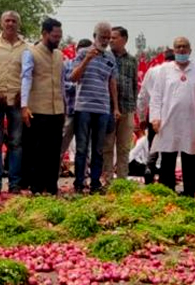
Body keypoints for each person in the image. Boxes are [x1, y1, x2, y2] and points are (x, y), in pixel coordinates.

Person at [149, 37, 195, 196]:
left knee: (190, 158)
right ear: (173, 51)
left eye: (184, 47)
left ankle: (189, 194)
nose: (181, 50)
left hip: (191, 122)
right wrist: (155, 118)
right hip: (169, 121)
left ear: (190, 50)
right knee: (167, 158)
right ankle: (166, 194)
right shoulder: (164, 70)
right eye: (178, 47)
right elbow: (156, 96)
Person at [69, 21, 120, 194]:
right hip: (83, 107)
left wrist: (116, 107)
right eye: (102, 37)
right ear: (94, 37)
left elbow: (112, 82)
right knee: (82, 148)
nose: (105, 41)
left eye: (108, 38)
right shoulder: (83, 52)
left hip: (103, 108)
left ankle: (95, 184)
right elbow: (73, 77)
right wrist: (87, 59)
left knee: (99, 149)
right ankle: (78, 183)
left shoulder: (110, 57)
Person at [21, 17, 65, 195]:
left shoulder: (60, 55)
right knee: (37, 151)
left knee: (54, 150)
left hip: (57, 110)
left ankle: (52, 187)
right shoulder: (30, 52)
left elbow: (62, 82)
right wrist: (24, 106)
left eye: (60, 36)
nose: (58, 39)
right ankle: (37, 187)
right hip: (38, 110)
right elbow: (26, 78)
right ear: (45, 34)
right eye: (55, 36)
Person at [0, 11, 27, 196]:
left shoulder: (27, 47)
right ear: (1, 23)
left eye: (14, 21)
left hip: (17, 101)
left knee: (16, 143)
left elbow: (28, 75)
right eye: (7, 21)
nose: (10, 24)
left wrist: (23, 95)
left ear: (19, 24)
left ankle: (15, 183)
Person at [103, 26, 138, 182]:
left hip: (127, 108)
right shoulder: (105, 57)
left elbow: (134, 84)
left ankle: (122, 181)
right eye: (109, 38)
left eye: (114, 38)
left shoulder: (132, 60)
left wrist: (134, 107)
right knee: (107, 145)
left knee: (124, 147)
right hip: (108, 108)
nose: (111, 40)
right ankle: (108, 180)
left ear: (124, 40)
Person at [136, 49, 174, 184]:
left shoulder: (152, 71)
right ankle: (166, 179)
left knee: (154, 145)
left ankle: (149, 169)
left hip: (153, 114)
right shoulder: (174, 72)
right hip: (171, 114)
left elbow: (142, 97)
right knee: (169, 149)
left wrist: (141, 118)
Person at [60, 38, 92, 173]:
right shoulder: (68, 65)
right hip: (71, 111)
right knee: (62, 145)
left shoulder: (93, 68)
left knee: (83, 147)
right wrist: (79, 85)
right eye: (82, 50)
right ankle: (51, 179)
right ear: (77, 51)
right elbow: (65, 85)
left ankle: (81, 178)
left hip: (86, 112)